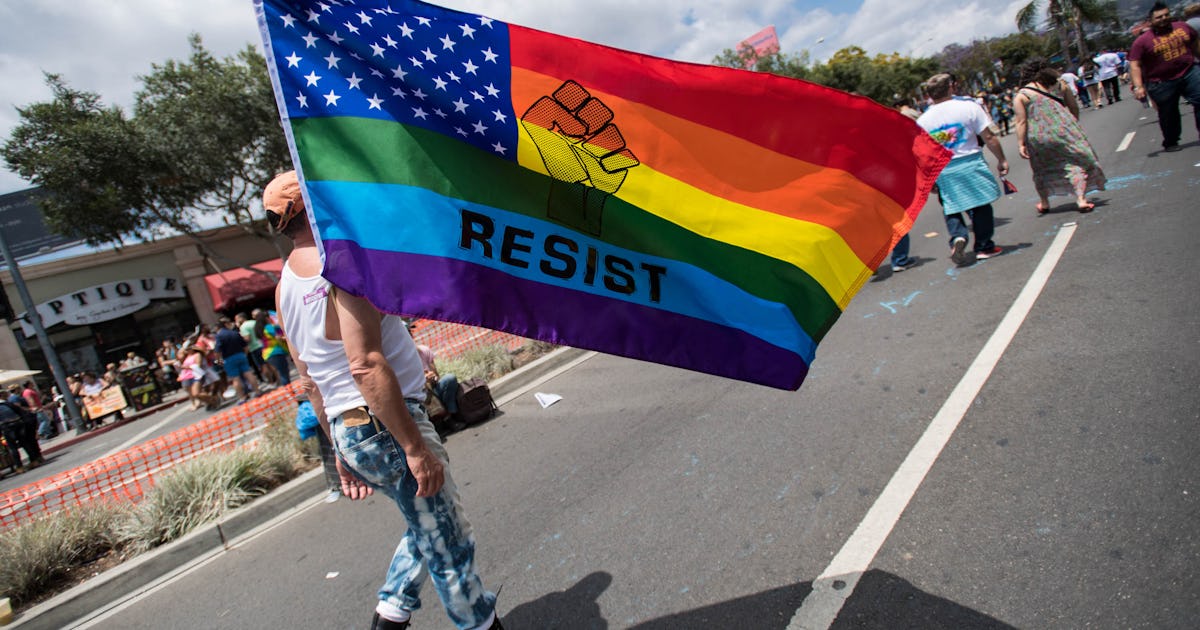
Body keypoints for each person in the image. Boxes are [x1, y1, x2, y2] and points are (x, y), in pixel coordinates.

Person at [264, 170, 502, 630]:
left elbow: (309, 380)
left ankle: (390, 615)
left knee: (428, 526)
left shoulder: (284, 286)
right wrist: (414, 448)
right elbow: (364, 365)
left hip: (352, 428)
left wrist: (339, 452)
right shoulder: (342, 261)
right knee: (449, 545)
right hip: (385, 424)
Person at [917, 73, 1009, 265]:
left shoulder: (923, 120)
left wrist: (929, 179)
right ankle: (984, 246)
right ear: (951, 87)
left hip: (944, 169)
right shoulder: (968, 107)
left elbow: (922, 154)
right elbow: (989, 137)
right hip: (971, 161)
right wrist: (1001, 159)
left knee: (951, 204)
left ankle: (958, 236)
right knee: (981, 204)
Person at [1013, 59, 1107, 215]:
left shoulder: (1022, 95)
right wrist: (1072, 123)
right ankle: (1081, 199)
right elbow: (1073, 106)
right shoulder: (1060, 85)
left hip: (1038, 136)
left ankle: (1044, 203)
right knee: (1075, 163)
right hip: (1064, 130)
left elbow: (1021, 121)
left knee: (1041, 168)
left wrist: (1020, 143)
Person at [1129, 2, 1200, 153]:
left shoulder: (1183, 27)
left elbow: (1195, 44)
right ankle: (1171, 141)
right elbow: (1135, 64)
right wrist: (1139, 86)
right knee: (1169, 113)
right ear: (1151, 21)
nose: (1164, 19)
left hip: (1189, 72)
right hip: (1161, 82)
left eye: (1166, 15)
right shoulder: (1142, 41)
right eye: (1159, 17)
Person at [410, 323, 465, 433]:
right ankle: (440, 422)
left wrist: (432, 377)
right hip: (418, 396)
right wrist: (422, 381)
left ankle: (450, 416)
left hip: (433, 389)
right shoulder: (401, 362)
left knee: (449, 379)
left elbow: (436, 375)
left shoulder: (423, 351)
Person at [214, 316, 260, 404]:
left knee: (235, 378)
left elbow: (217, 350)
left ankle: (242, 398)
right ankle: (257, 392)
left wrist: (218, 360)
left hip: (229, 358)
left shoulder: (219, 336)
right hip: (241, 355)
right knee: (248, 373)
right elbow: (245, 346)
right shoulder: (235, 333)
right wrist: (244, 354)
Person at [5, 385, 43, 468]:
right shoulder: (14, 399)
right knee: (29, 440)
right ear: (17, 389)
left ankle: (35, 458)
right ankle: (36, 458)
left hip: (17, 423)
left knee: (28, 441)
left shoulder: (10, 400)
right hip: (22, 421)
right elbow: (19, 408)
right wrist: (30, 410)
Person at [179, 345, 220, 411]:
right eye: (185, 349)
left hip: (197, 376)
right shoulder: (186, 357)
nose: (186, 350)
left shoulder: (197, 355)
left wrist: (186, 367)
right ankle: (212, 401)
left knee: (196, 393)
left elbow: (198, 365)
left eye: (188, 349)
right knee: (196, 394)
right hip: (189, 377)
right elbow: (179, 356)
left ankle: (214, 399)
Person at [258, 310, 293, 387]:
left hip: (267, 354)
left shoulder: (261, 329)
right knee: (284, 373)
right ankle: (290, 393)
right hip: (276, 352)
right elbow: (278, 337)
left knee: (281, 373)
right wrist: (287, 338)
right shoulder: (269, 327)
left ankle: (289, 392)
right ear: (267, 318)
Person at [237, 311, 268, 384]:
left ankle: (270, 380)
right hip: (262, 344)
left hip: (254, 348)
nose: (237, 321)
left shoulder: (243, 327)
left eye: (237, 319)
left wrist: (240, 337)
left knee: (262, 365)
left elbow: (247, 339)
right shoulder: (254, 322)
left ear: (241, 318)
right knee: (267, 363)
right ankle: (276, 379)